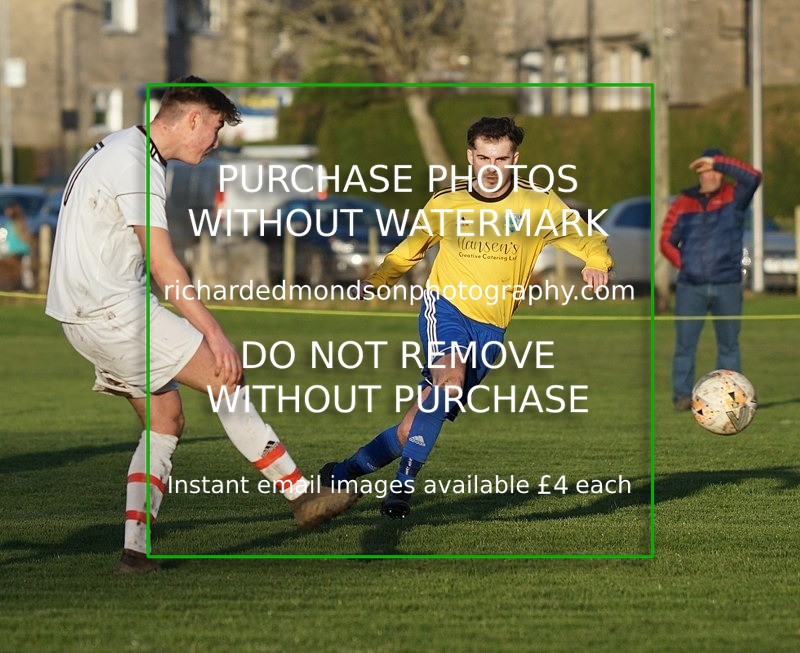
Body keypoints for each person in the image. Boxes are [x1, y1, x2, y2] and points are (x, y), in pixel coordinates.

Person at [45, 76, 358, 572]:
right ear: (192, 119)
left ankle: (135, 550)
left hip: (78, 315)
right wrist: (215, 333)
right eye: (213, 129)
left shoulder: (121, 146)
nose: (214, 143)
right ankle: (301, 495)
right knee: (224, 373)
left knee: (165, 419)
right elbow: (165, 264)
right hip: (113, 311)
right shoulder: (137, 163)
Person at [319, 116, 612, 519]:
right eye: (484, 157)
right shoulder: (446, 203)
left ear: (515, 159)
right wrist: (377, 281)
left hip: (492, 328)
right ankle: (401, 489)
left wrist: (596, 261)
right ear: (471, 157)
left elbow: (587, 235)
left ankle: (340, 474)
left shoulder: (538, 205)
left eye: (502, 159)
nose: (492, 168)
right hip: (446, 308)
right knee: (451, 381)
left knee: (411, 429)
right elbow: (410, 249)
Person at [659, 148, 762, 411]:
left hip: (727, 284)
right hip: (690, 287)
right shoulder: (684, 201)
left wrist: (720, 161)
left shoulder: (734, 197)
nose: (713, 174)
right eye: (707, 169)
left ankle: (731, 400)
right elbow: (666, 241)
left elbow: (753, 177)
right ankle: (682, 397)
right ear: (699, 173)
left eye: (717, 170)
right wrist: (686, 264)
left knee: (728, 346)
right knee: (684, 346)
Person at [0, 201, 35, 290]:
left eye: (8, 210)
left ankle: (26, 289)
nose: (6, 211)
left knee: (25, 274)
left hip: (19, 253)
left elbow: (23, 242)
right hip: (14, 253)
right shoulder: (12, 224)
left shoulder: (19, 224)